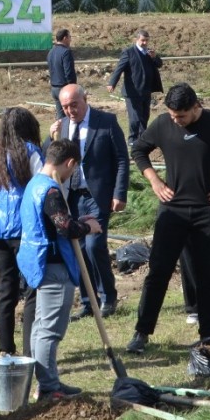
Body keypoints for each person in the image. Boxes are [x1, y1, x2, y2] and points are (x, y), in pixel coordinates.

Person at [125, 83, 210, 354]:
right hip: (172, 210)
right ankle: (142, 332)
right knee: (158, 271)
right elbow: (139, 151)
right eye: (173, 116)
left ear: (196, 106)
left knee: (208, 273)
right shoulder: (163, 123)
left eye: (182, 116)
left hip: (208, 210)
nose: (177, 121)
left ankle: (207, 334)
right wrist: (154, 181)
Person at [17, 139, 100, 399]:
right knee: (50, 330)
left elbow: (55, 222)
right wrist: (88, 228)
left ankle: (49, 381)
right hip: (53, 266)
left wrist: (76, 220)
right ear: (70, 163)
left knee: (41, 327)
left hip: (38, 263)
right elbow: (65, 228)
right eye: (73, 170)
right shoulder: (51, 191)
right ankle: (50, 388)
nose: (71, 175)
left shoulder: (34, 183)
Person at [50, 84, 128, 319]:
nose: (70, 110)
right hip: (71, 196)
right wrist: (49, 135)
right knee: (79, 249)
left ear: (85, 98)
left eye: (74, 104)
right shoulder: (62, 127)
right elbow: (51, 158)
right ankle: (87, 301)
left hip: (97, 194)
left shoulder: (106, 121)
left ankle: (108, 297)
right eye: (65, 107)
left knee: (94, 246)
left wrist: (119, 193)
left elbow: (122, 159)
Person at [0, 107, 43, 356]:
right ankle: (31, 350)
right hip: (24, 230)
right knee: (33, 289)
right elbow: (42, 187)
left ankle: (5, 349)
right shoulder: (31, 152)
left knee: (6, 290)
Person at [107, 29, 164, 148]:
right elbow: (119, 68)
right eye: (142, 40)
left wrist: (155, 57)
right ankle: (132, 139)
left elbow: (159, 64)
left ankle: (142, 139)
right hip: (132, 91)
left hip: (146, 90)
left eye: (146, 41)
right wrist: (112, 83)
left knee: (144, 116)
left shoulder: (149, 53)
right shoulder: (128, 52)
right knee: (135, 118)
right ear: (136, 40)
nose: (144, 43)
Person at [46, 28, 77, 119]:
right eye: (69, 37)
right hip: (64, 89)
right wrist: (73, 87)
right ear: (65, 38)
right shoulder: (66, 52)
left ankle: (60, 133)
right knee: (72, 116)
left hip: (54, 88)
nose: (70, 39)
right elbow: (69, 72)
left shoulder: (51, 52)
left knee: (60, 117)